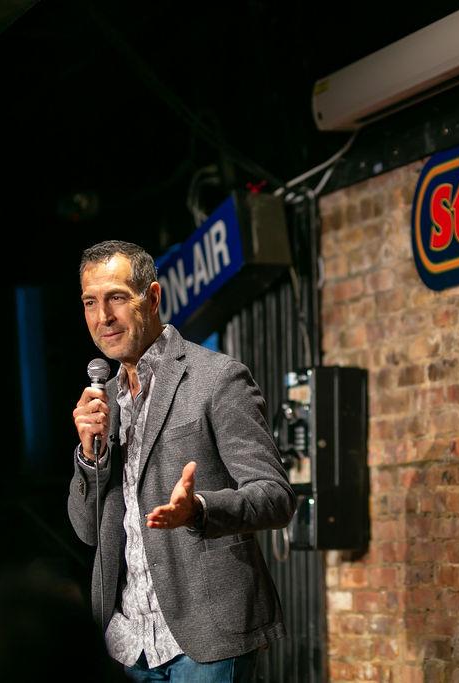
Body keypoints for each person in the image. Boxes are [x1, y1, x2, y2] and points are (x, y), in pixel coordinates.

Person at [67, 240, 296, 682]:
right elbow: (86, 528)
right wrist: (90, 456)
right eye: (90, 302)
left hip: (206, 638)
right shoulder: (101, 402)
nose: (103, 317)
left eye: (116, 297)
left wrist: (201, 510)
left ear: (152, 297)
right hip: (125, 644)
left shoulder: (217, 378)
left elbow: (276, 497)